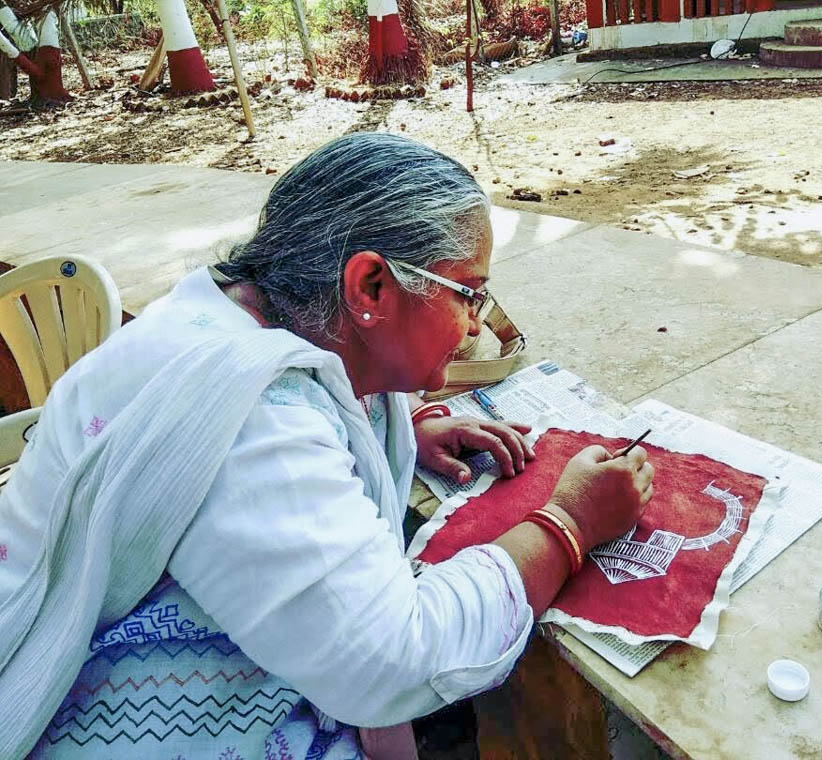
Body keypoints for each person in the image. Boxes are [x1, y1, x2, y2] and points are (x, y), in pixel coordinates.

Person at [0, 133, 654, 759]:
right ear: (370, 287)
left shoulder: (235, 317)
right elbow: (391, 660)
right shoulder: (256, 422)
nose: (477, 324)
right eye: (469, 294)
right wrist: (569, 523)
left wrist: (384, 433)